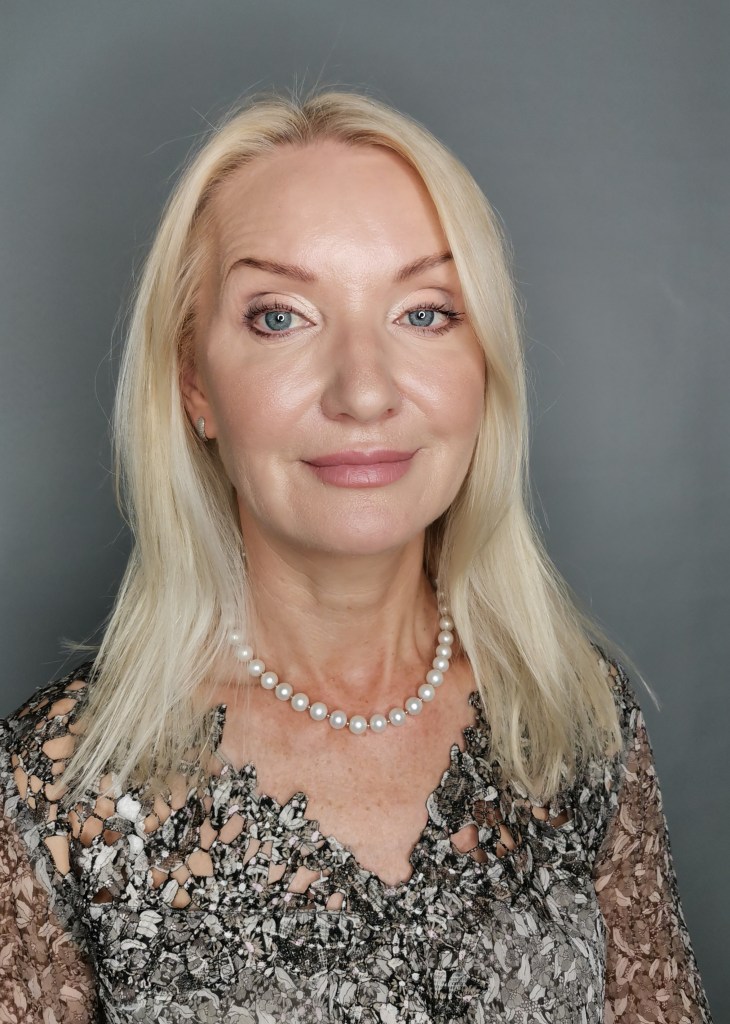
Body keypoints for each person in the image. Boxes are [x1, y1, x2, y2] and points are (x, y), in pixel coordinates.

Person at [0, 89, 712, 1024]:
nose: (364, 391)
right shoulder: (52, 793)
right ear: (193, 383)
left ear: (486, 361)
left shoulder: (574, 716)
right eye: (280, 317)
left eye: (424, 313)